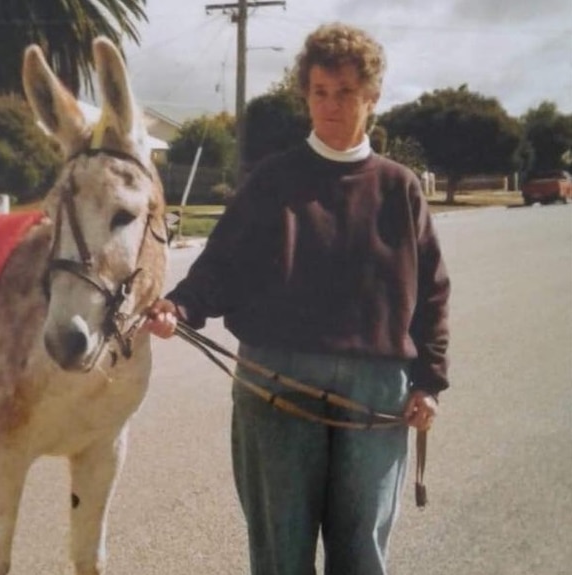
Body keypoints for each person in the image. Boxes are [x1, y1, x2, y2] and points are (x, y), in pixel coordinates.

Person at [146, 22, 450, 575]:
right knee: (279, 551)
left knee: (362, 553)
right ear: (306, 96)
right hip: (276, 381)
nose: (331, 106)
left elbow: (432, 292)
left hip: (375, 389)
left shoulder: (400, 187)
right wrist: (179, 305)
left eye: (346, 93)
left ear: (372, 98)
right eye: (320, 93)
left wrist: (428, 381)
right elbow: (221, 264)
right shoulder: (272, 180)